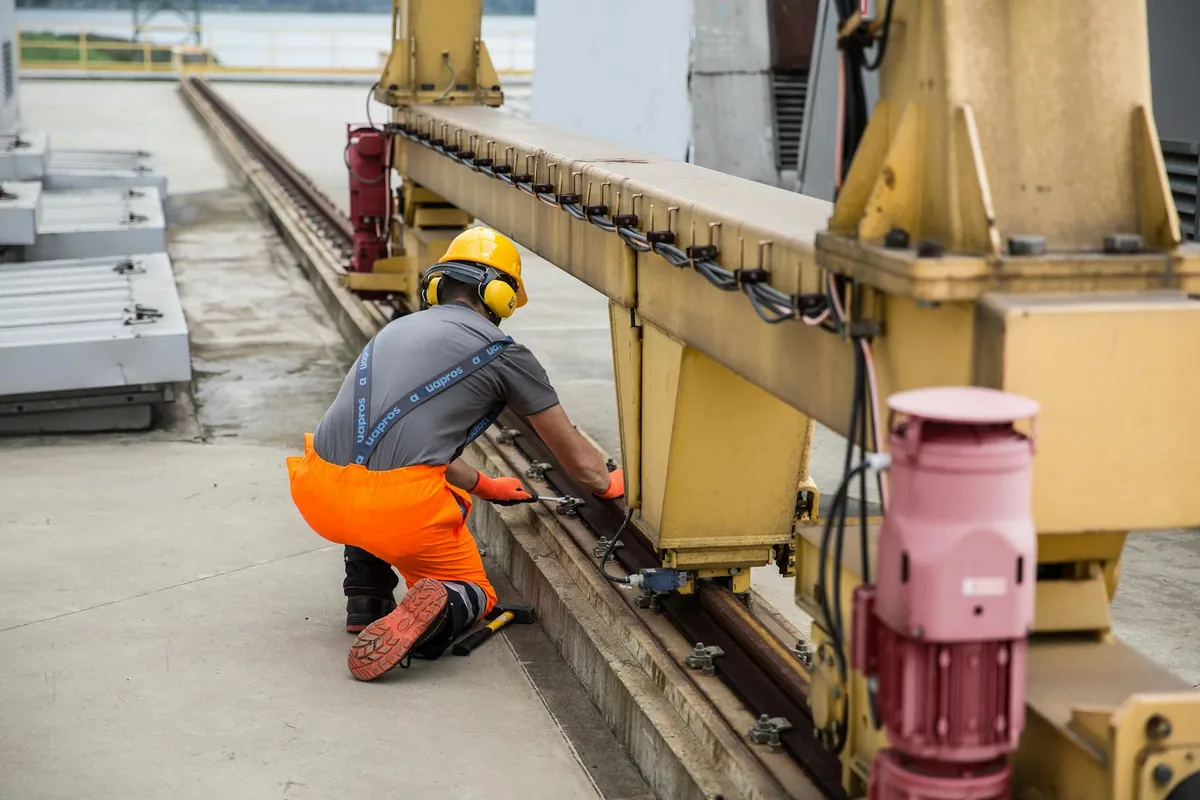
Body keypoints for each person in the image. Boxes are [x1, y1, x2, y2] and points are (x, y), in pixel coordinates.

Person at [286, 227, 623, 682]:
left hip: (318, 489)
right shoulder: (505, 354)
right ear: (502, 297)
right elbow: (582, 466)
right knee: (477, 591)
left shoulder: (396, 329)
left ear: (436, 285)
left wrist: (485, 485)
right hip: (398, 510)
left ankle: (365, 600)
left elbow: (403, 439)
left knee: (369, 468)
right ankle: (443, 606)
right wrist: (612, 483)